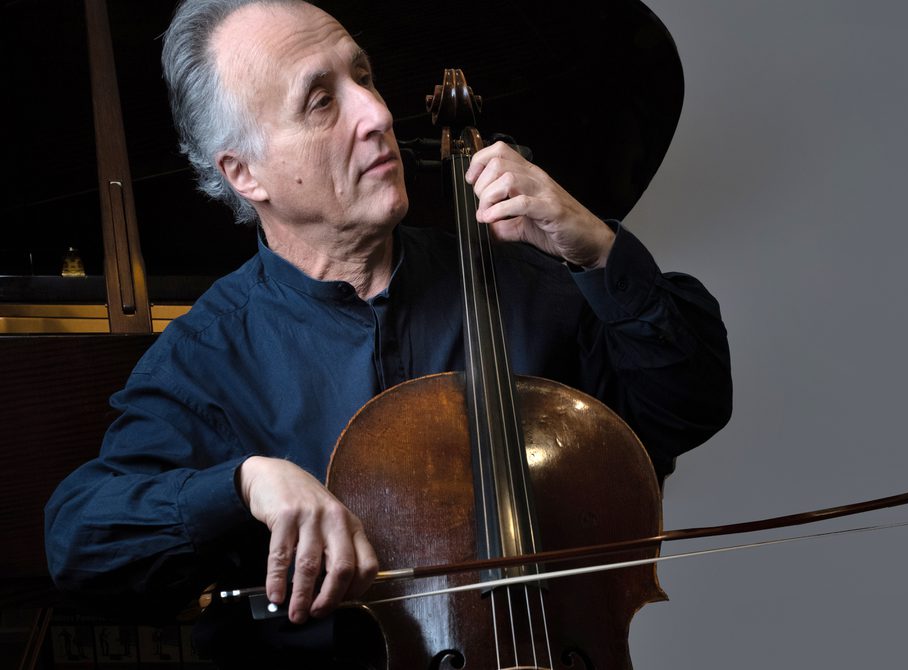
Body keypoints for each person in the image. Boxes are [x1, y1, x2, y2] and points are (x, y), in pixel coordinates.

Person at [45, 0, 732, 638]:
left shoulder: (527, 281)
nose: (375, 113)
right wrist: (242, 482)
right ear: (245, 173)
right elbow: (81, 548)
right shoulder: (209, 357)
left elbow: (688, 405)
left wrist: (597, 250)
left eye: (364, 76)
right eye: (321, 101)